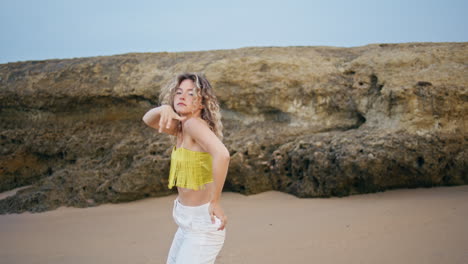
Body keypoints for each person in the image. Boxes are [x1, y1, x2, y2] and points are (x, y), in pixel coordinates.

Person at [142, 72, 230, 264]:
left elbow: (223, 155)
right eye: (179, 92)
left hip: (201, 226)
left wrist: (215, 201)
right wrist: (163, 108)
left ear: (202, 103)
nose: (182, 96)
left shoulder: (192, 125)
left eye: (191, 93)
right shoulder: (182, 127)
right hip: (186, 223)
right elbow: (148, 119)